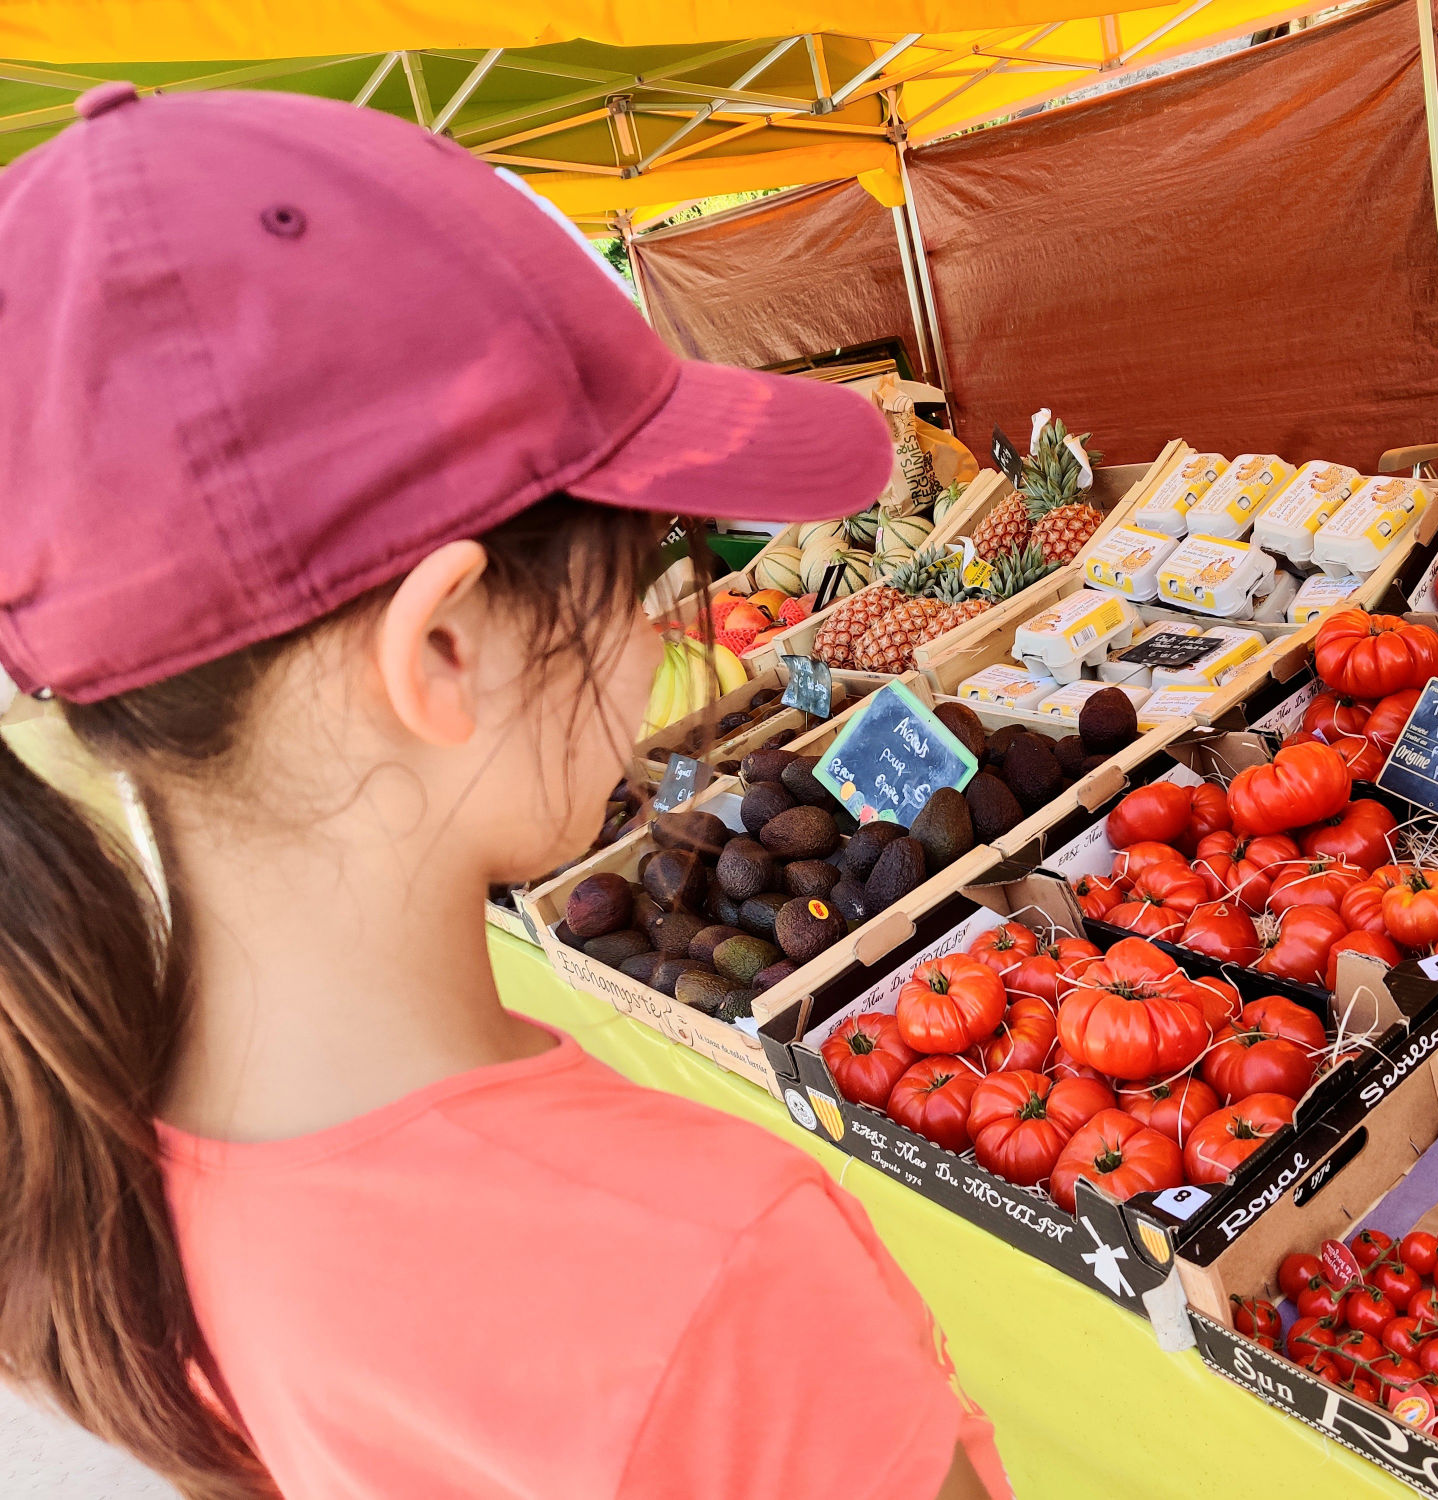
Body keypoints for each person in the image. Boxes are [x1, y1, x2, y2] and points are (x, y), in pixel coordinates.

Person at [0, 82, 1005, 1500]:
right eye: (648, 577)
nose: (661, 645)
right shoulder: (709, 1265)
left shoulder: (88, 1175)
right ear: (447, 650)